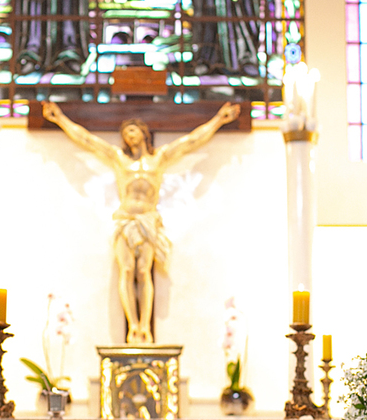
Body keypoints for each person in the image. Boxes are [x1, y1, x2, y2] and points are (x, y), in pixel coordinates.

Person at [42, 100, 242, 343]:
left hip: (147, 220)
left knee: (143, 271)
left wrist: (220, 119)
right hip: (125, 219)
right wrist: (60, 118)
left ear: (144, 133)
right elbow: (86, 140)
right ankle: (132, 326)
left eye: (132, 131)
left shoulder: (159, 159)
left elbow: (192, 141)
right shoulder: (118, 159)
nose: (128, 136)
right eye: (125, 133)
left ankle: (144, 326)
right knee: (126, 270)